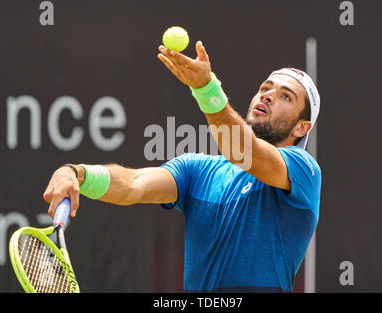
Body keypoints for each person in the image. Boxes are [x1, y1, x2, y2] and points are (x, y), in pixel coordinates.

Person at [43, 41, 322, 293]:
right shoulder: (198, 171)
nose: (268, 96)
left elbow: (242, 151)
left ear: (302, 126)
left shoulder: (303, 170)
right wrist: (78, 173)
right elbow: (131, 185)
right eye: (265, 88)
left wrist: (206, 89)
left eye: (286, 96)